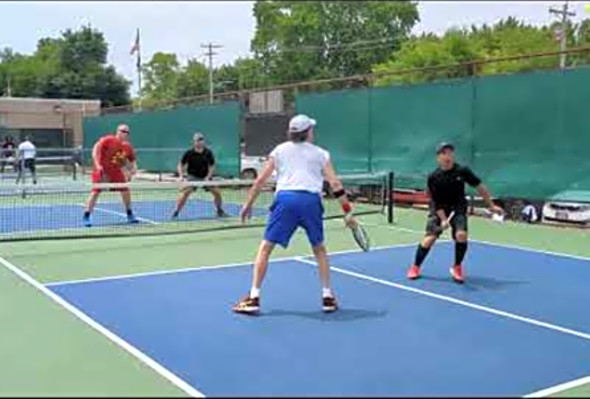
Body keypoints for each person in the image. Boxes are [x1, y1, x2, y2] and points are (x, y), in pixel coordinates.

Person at [232, 114, 357, 315]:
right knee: (320, 250)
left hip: (286, 201)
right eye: (312, 129)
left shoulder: (279, 151)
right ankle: (327, 297)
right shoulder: (321, 154)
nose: (313, 132)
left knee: (265, 249)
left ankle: (254, 297)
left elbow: (260, 181)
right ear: (307, 132)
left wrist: (248, 205)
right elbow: (335, 184)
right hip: (310, 202)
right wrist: (347, 212)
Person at [406, 142, 504, 284]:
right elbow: (437, 202)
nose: (448, 156)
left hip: (458, 206)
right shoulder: (434, 177)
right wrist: (444, 220)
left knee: (461, 235)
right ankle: (415, 267)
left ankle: (457, 266)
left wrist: (491, 205)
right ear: (438, 157)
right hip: (439, 208)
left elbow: (479, 186)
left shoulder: (462, 171)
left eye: (450, 153)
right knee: (430, 239)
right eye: (444, 153)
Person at [82, 124, 139, 227]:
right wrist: (98, 165)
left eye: (127, 132)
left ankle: (130, 214)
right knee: (95, 193)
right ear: (117, 131)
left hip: (116, 172)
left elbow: (133, 162)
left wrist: (132, 171)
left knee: (125, 191)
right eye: (123, 131)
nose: (125, 133)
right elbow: (96, 149)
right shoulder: (108, 139)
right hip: (102, 171)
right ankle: (86, 216)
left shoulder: (127, 147)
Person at [171, 132, 228, 219]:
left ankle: (219, 211)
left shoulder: (208, 152)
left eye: (201, 140)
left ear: (204, 141)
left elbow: (212, 165)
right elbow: (180, 164)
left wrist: (208, 177)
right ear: (194, 142)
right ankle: (176, 211)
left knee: (217, 192)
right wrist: (181, 176)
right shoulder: (189, 153)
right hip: (193, 177)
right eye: (198, 140)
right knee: (185, 193)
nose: (200, 142)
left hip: (205, 178)